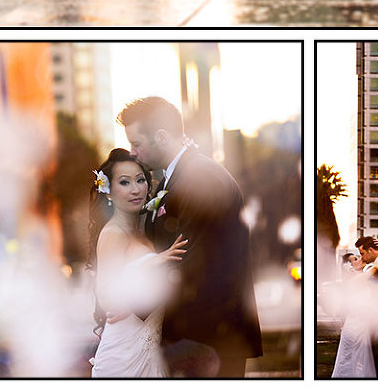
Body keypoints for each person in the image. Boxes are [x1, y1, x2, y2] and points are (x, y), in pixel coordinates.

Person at [120, 97, 262, 380]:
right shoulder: (177, 178)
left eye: (136, 143)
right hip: (196, 337)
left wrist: (131, 306)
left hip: (211, 336)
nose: (132, 153)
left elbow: (190, 263)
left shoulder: (200, 178)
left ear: (162, 137)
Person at [88, 149, 186, 379]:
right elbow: (107, 298)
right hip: (122, 357)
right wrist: (151, 264)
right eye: (124, 182)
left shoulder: (146, 228)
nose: (135, 189)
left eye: (140, 180)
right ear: (108, 192)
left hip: (150, 351)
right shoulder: (113, 233)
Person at [332, 243, 378, 378]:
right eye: (356, 259)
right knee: (351, 357)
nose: (360, 259)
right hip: (355, 326)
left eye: (360, 256)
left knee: (357, 358)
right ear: (350, 267)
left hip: (359, 324)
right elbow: (376, 267)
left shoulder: (361, 278)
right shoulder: (356, 279)